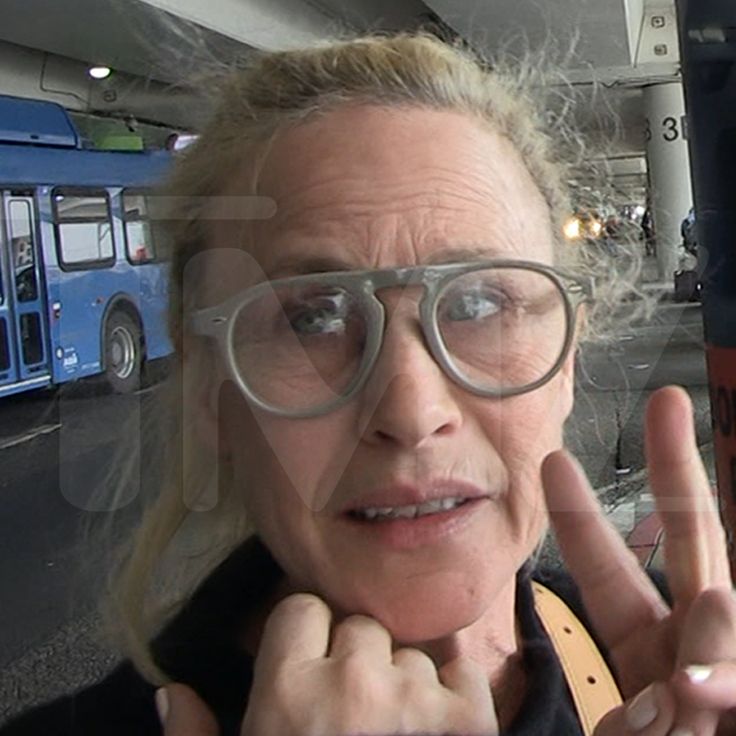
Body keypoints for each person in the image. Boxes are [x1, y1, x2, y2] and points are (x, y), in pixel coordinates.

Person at [3, 33, 736, 736]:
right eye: (313, 317)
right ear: (209, 394)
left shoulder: (688, 680)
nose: (412, 411)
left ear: (568, 359)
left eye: (481, 304)